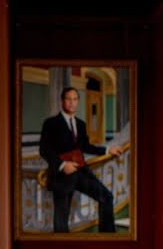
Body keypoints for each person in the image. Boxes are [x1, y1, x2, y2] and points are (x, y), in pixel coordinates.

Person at [39, 87, 123, 233]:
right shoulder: (51, 123)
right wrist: (62, 165)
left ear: (78, 101)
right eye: (68, 99)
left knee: (106, 197)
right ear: (62, 101)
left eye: (75, 99)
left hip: (81, 171)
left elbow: (86, 146)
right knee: (61, 221)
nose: (72, 103)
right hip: (62, 175)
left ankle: (107, 238)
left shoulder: (80, 124)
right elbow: (44, 150)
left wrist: (108, 150)